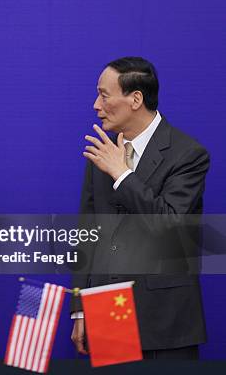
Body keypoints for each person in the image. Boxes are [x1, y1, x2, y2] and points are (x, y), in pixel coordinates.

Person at [70, 57, 208, 359]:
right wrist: (80, 307)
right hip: (107, 313)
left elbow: (169, 224)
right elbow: (88, 232)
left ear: (135, 99)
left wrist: (122, 175)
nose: (96, 105)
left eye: (104, 95)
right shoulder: (104, 152)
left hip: (165, 321)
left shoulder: (189, 154)